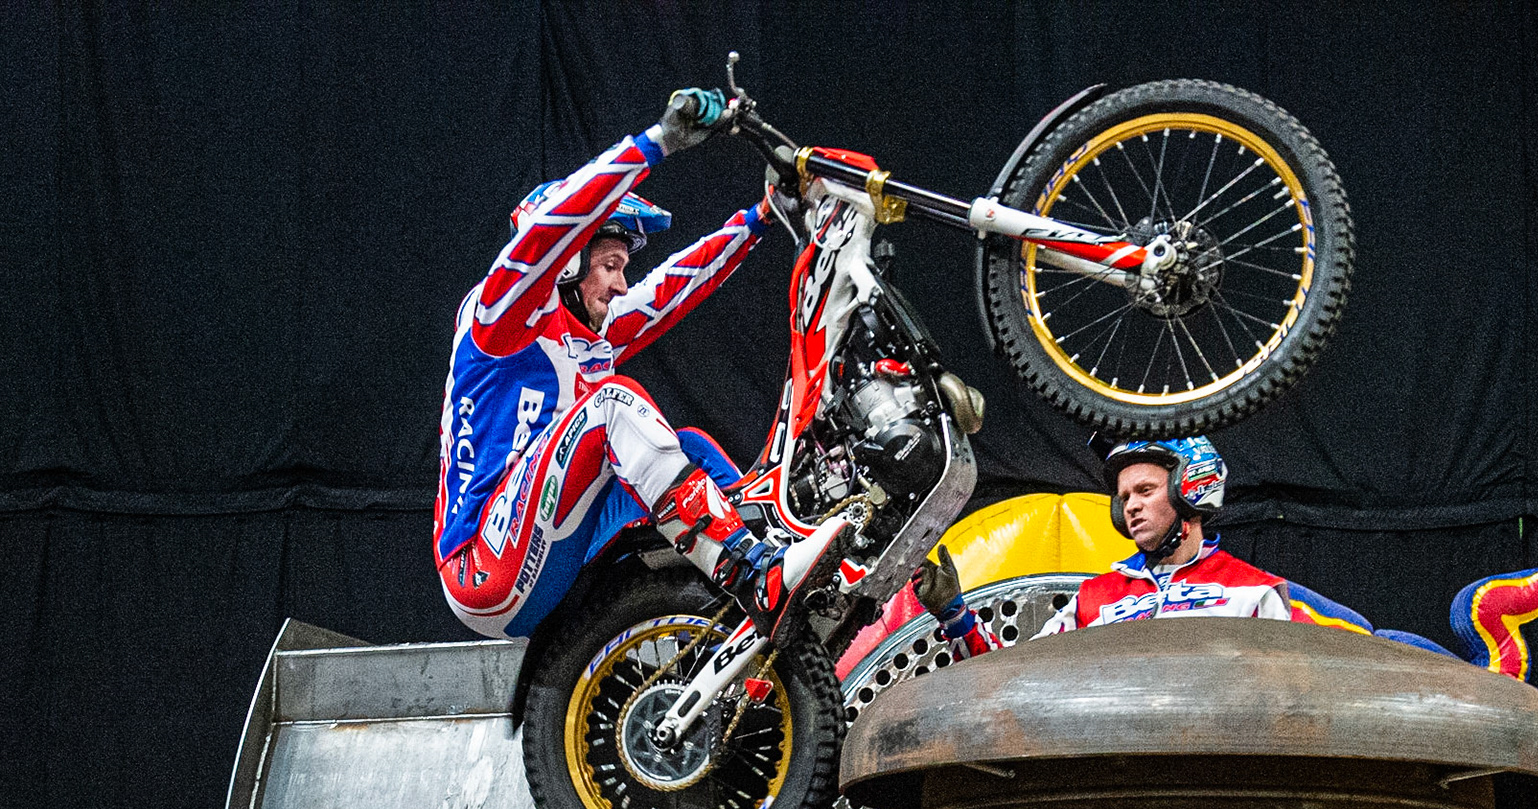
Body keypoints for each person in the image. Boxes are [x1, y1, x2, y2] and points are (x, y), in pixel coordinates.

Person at [435, 87, 849, 646]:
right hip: (483, 569)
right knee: (612, 405)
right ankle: (752, 573)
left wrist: (759, 218)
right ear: (570, 261)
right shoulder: (499, 313)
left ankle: (777, 582)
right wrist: (659, 141)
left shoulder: (587, 326)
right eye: (609, 264)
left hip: (547, 548)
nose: (622, 282)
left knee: (691, 449)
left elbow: (669, 290)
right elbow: (551, 232)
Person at [914, 436, 1316, 654]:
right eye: (1124, 498)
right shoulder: (1094, 597)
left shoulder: (1255, 590)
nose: (1133, 506)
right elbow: (1011, 684)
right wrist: (955, 616)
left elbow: (1304, 686)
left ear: (1191, 490)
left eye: (1145, 490)